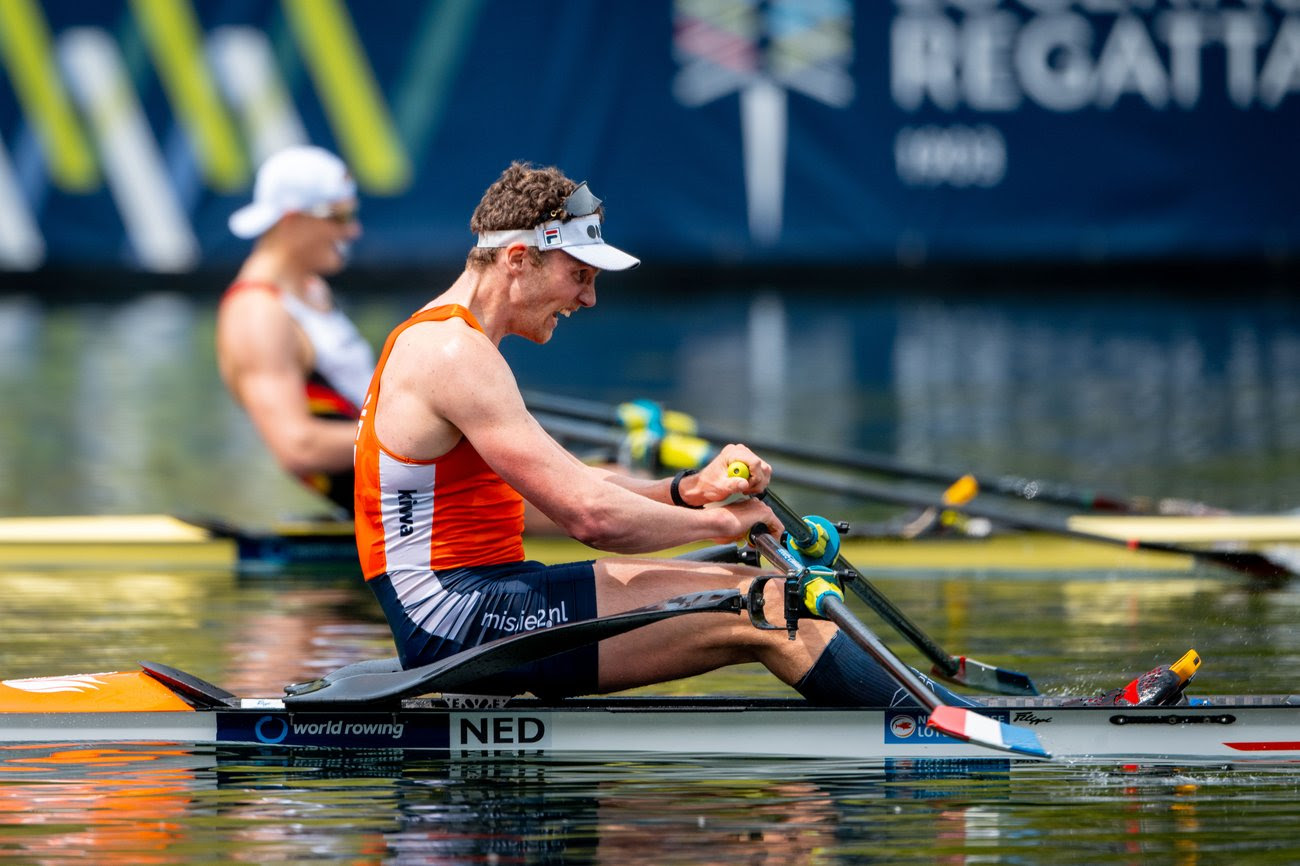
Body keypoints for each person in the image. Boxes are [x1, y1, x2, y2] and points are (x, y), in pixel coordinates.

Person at [352, 161, 1183, 708]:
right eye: (580, 274)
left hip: (491, 594)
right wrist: (723, 522)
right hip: (454, 620)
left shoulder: (461, 344)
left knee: (740, 572)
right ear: (520, 259)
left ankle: (939, 711)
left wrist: (693, 493)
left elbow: (576, 494)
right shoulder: (453, 352)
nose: (589, 298)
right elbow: (590, 519)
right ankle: (956, 725)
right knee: (763, 604)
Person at [217, 145, 373, 516]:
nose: (352, 230)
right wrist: (421, 434)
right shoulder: (257, 313)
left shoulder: (312, 288)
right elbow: (297, 447)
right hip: (392, 492)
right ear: (292, 220)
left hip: (409, 473)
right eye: (339, 216)